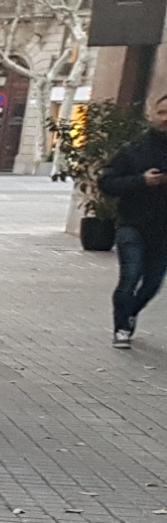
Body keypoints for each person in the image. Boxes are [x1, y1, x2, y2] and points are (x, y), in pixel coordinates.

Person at [99, 93, 167, 348]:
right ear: (152, 115)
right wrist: (141, 181)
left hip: (163, 230)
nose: (165, 119)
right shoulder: (133, 151)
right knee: (130, 277)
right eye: (161, 113)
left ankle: (130, 313)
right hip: (132, 225)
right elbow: (107, 183)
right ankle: (121, 328)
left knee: (152, 284)